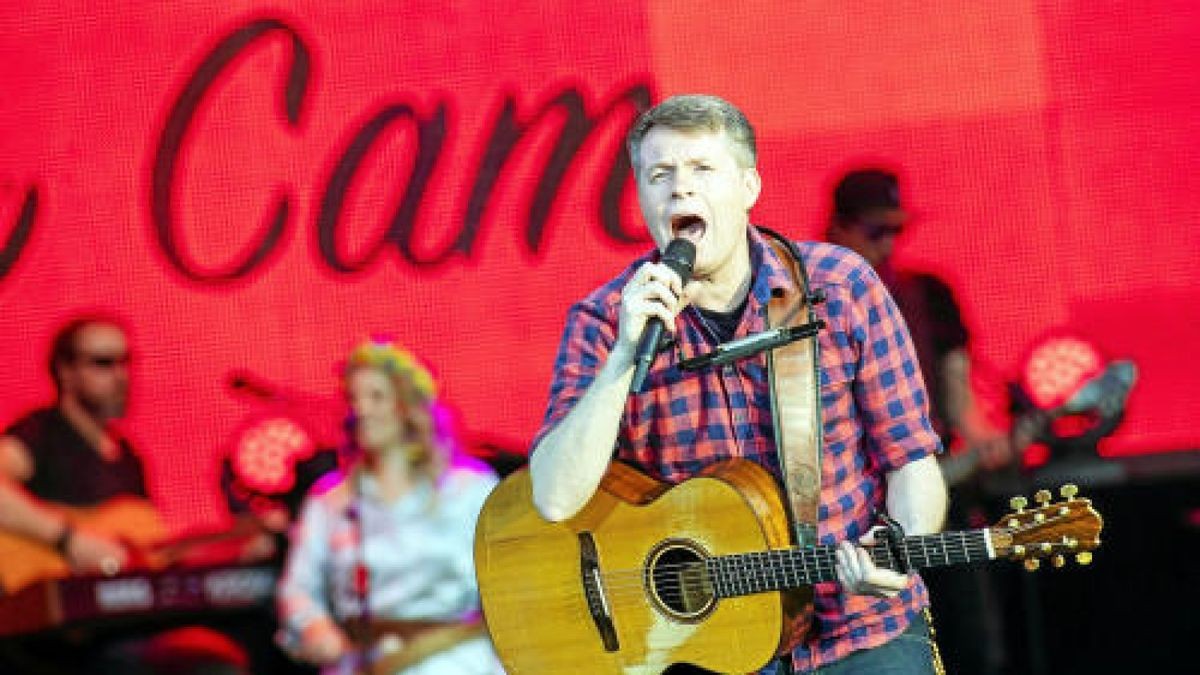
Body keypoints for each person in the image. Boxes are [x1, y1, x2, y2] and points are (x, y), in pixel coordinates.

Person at [529, 94, 948, 674]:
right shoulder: (605, 321)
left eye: (702, 169)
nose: (680, 189)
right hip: (703, 651)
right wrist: (626, 355)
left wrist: (900, 547)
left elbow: (911, 459)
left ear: (748, 187)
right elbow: (553, 496)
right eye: (659, 175)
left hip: (859, 632)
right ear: (643, 198)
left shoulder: (841, 286)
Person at [825, 167, 1016, 675]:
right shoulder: (810, 300)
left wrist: (984, 439)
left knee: (970, 639)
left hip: (933, 485)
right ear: (839, 229)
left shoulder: (925, 294)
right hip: (851, 506)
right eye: (874, 232)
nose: (888, 246)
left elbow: (958, 393)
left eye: (895, 231)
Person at [0, 315, 250, 674]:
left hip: (119, 623)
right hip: (58, 644)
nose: (120, 375)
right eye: (103, 363)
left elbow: (149, 550)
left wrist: (237, 543)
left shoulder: (127, 456)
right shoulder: (41, 433)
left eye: (125, 362)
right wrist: (70, 540)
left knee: (225, 648)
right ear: (66, 372)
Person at [276, 338, 502, 675]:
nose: (362, 409)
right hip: (364, 662)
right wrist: (315, 629)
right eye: (353, 398)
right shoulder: (331, 501)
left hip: (456, 659)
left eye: (376, 397)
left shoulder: (469, 489)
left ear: (408, 406)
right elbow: (298, 587)